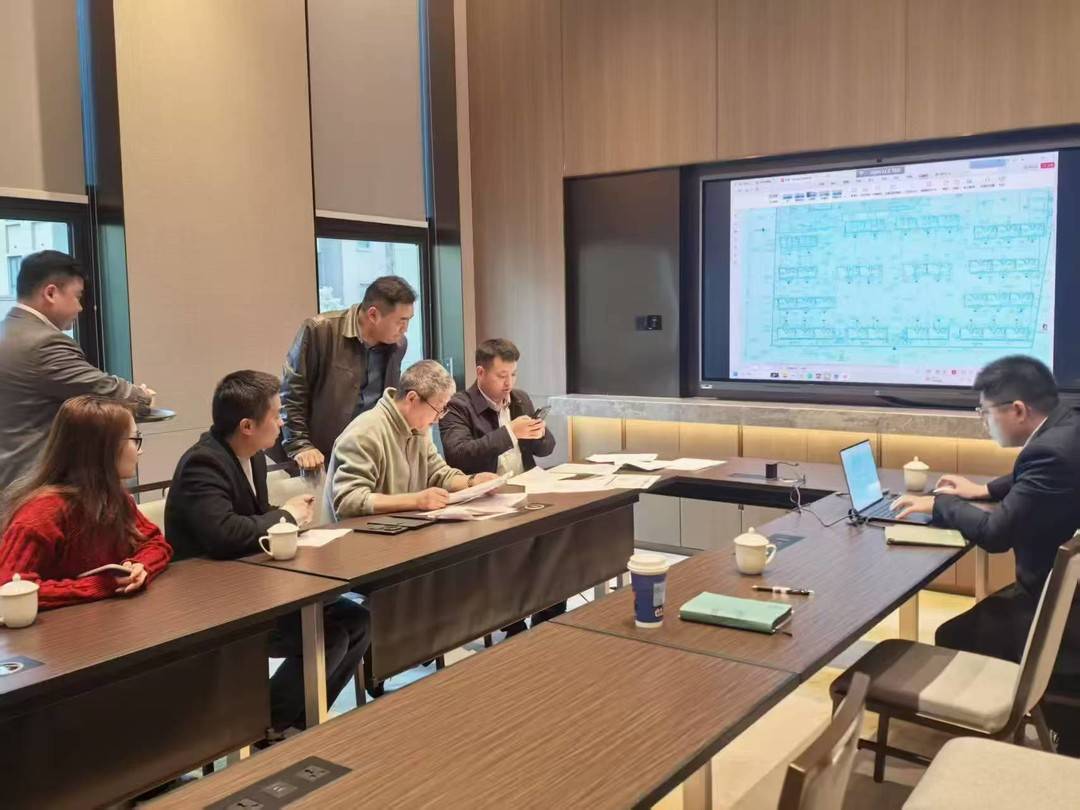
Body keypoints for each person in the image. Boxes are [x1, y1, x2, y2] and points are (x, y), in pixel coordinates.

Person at [165, 370, 370, 738]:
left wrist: (291, 517)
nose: (282, 422)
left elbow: (255, 515)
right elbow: (225, 534)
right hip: (216, 600)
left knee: (357, 619)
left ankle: (299, 720)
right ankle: (267, 726)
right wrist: (286, 516)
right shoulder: (203, 463)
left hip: (256, 584)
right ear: (247, 425)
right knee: (329, 635)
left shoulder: (254, 457)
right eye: (276, 415)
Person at [892, 355, 1080, 752]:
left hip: (1057, 614)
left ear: (1018, 410)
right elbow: (1033, 473)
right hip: (1067, 596)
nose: (984, 421)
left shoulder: (1048, 453)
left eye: (985, 412)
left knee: (950, 634)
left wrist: (940, 504)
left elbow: (995, 536)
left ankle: (977, 742)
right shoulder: (1068, 425)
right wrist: (985, 490)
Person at [0, 251, 155, 490]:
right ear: (51, 293)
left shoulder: (7, 331)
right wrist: (143, 396)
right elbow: (108, 393)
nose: (81, 308)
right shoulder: (44, 343)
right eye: (77, 296)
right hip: (33, 486)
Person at [0, 395, 172, 608]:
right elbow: (8, 589)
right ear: (103, 448)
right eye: (134, 439)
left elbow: (156, 543)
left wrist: (140, 566)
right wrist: (99, 586)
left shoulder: (114, 498)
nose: (140, 450)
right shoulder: (41, 512)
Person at [440, 338, 561, 635]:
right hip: (484, 503)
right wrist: (510, 433)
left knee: (558, 543)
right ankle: (514, 626)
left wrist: (539, 434)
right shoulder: (458, 406)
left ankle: (547, 622)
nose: (509, 383)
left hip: (526, 493)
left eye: (513, 374)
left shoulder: (519, 399)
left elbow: (547, 449)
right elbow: (459, 454)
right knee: (512, 555)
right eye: (501, 375)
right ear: (481, 373)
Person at [328, 359, 499, 519]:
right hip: (362, 534)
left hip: (402, 527)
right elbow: (349, 500)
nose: (438, 418)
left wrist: (473, 482)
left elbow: (439, 474)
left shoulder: (419, 430)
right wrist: (416, 501)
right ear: (412, 399)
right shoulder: (365, 432)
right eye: (438, 409)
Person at [280, 276, 416, 473]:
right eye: (401, 321)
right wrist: (300, 444)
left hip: (368, 451)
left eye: (409, 320)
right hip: (320, 454)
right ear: (373, 315)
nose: (405, 329)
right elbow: (292, 393)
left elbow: (390, 399)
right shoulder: (321, 330)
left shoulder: (398, 345)